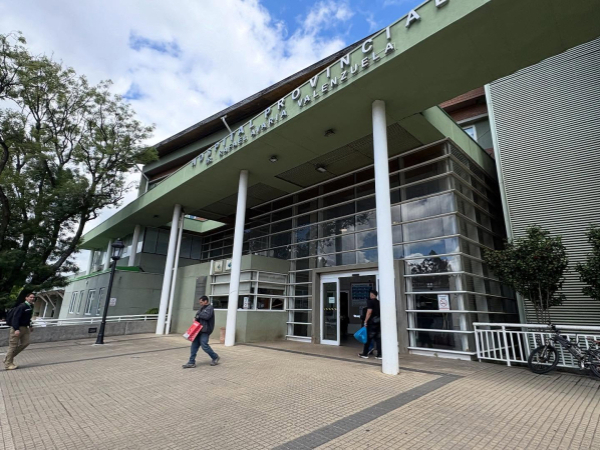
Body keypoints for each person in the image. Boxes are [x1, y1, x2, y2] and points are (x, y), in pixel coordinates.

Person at [182, 296, 220, 368]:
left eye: (201, 302)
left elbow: (206, 316)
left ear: (206, 301)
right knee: (194, 346)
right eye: (200, 302)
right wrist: (195, 318)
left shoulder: (210, 308)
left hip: (205, 330)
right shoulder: (201, 308)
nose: (200, 303)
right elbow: (197, 315)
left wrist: (199, 314)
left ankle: (215, 357)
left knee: (204, 345)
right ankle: (191, 362)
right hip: (198, 330)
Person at [4, 291, 35, 370]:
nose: (32, 298)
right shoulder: (22, 306)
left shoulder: (30, 307)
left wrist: (30, 326)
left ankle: (8, 358)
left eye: (33, 297)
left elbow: (27, 318)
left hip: (25, 328)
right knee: (13, 346)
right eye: (30, 297)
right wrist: (16, 329)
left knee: (25, 343)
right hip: (17, 328)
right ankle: (8, 364)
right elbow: (16, 318)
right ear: (26, 298)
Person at [358, 289, 382, 360]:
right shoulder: (379, 302)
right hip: (378, 322)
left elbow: (369, 312)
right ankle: (379, 354)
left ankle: (365, 353)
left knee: (368, 339)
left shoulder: (370, 302)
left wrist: (365, 321)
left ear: (372, 295)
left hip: (372, 323)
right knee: (378, 339)